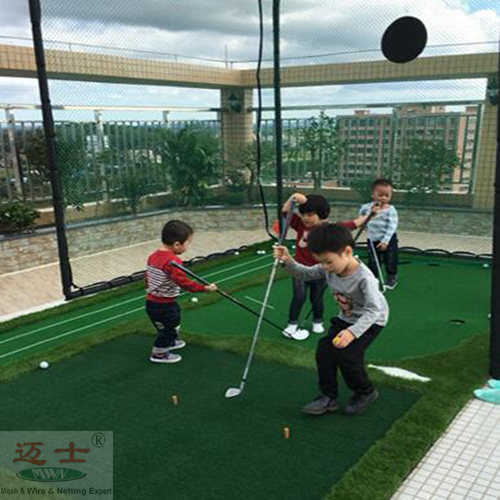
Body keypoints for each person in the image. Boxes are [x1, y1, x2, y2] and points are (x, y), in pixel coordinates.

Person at [273, 223, 389, 415]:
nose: (325, 267)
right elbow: (305, 273)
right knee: (325, 351)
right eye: (321, 262)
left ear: (348, 251)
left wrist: (352, 333)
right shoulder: (328, 267)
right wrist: (288, 260)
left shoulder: (365, 279)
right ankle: (328, 397)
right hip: (347, 317)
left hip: (371, 320)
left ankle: (365, 392)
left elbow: (373, 310)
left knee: (348, 357)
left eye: (328, 262)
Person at [280, 192, 376, 341]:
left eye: (310, 214)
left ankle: (317, 321)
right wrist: (292, 197)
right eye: (303, 213)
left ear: (321, 214)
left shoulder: (330, 229)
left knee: (317, 297)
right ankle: (292, 324)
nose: (306, 218)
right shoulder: (300, 224)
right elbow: (285, 212)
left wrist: (370, 215)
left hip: (323, 270)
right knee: (299, 297)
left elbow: (353, 224)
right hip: (301, 268)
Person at [145, 220, 217, 363]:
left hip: (157, 301)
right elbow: (184, 283)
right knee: (168, 329)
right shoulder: (173, 262)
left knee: (173, 321)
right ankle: (159, 354)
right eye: (188, 243)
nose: (188, 246)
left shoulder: (153, 256)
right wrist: (205, 288)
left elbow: (148, 277)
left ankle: (170, 341)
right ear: (177, 244)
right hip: (161, 304)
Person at [359, 179, 399, 289]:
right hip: (372, 239)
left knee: (390, 259)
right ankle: (373, 279)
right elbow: (361, 216)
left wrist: (385, 241)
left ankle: (391, 277)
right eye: (380, 195)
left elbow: (392, 226)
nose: (383, 198)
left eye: (387, 195)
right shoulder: (366, 207)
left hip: (388, 240)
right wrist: (363, 225)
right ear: (373, 194)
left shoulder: (391, 210)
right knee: (373, 261)